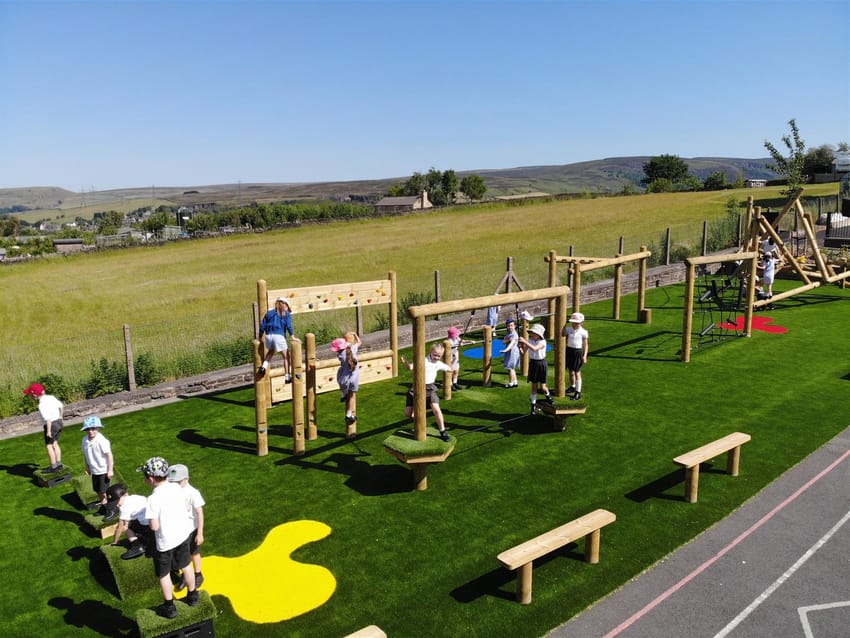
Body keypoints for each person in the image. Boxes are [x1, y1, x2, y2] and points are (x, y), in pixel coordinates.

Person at [138, 456, 199, 618]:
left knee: (164, 574)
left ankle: (169, 607)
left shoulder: (153, 499)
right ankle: (193, 595)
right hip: (183, 536)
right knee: (186, 564)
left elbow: (154, 526)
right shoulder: (177, 488)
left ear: (150, 479)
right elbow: (186, 508)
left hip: (165, 543)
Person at [400, 343, 454, 442]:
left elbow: (449, 369)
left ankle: (443, 431)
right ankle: (420, 421)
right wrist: (406, 362)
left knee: (437, 409)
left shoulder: (438, 363)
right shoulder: (423, 360)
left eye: (439, 356)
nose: (436, 357)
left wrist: (451, 368)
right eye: (435, 355)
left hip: (430, 388)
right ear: (430, 352)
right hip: (417, 388)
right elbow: (410, 368)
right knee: (408, 414)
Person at [167, 464, 206, 592]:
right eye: (172, 482)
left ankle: (198, 574)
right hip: (179, 530)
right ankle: (185, 573)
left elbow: (200, 513)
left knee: (193, 552)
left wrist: (199, 533)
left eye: (177, 482)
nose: (174, 485)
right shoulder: (172, 492)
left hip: (191, 530)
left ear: (186, 479)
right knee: (181, 553)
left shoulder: (192, 493)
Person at [23, 382, 65, 473]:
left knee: (49, 446)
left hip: (51, 425)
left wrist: (48, 431)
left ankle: (53, 467)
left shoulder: (41, 405)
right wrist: (61, 416)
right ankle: (59, 464)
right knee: (55, 443)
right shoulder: (51, 397)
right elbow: (61, 406)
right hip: (59, 422)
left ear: (34, 395)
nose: (31, 396)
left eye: (31, 395)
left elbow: (48, 419)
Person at [106, 482, 154, 558]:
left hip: (149, 527)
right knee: (131, 522)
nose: (117, 505)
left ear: (122, 496)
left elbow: (119, 528)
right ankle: (143, 536)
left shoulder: (125, 508)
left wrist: (114, 542)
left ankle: (137, 546)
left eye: (117, 502)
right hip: (154, 521)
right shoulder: (134, 497)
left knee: (126, 527)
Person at [80, 415, 114, 512]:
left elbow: (109, 455)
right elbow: (86, 454)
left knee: (104, 491)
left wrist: (110, 470)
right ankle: (104, 506)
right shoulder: (84, 440)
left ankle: (109, 509)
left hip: (103, 470)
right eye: (88, 429)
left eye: (93, 429)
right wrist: (87, 467)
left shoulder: (101, 441)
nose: (91, 431)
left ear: (98, 428)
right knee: (97, 490)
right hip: (94, 470)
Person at [518, 323, 553, 414]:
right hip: (533, 363)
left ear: (539, 335)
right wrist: (520, 347)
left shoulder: (543, 342)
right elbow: (523, 352)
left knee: (543, 387)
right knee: (534, 387)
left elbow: (534, 349)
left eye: (534, 333)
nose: (532, 334)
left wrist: (525, 341)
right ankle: (533, 406)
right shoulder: (529, 340)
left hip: (541, 364)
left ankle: (549, 397)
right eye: (532, 333)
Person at [257, 297, 294, 381]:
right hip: (279, 336)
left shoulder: (269, 313)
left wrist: (259, 336)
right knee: (286, 357)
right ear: (285, 304)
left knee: (270, 352)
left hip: (268, 336)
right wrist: (292, 336)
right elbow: (289, 326)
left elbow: (262, 326)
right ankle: (287, 376)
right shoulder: (285, 313)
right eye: (287, 306)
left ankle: (263, 367)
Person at [332, 332, 361, 426]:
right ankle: (349, 415)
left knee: (339, 374)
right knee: (351, 397)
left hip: (343, 379)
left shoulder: (340, 356)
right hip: (353, 379)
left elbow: (343, 351)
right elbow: (359, 342)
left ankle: (343, 394)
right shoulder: (353, 349)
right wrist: (355, 335)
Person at [563, 312, 589, 400]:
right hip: (569, 350)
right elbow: (562, 333)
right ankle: (572, 386)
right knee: (571, 371)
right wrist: (564, 323)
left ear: (581, 323)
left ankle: (578, 392)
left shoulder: (584, 332)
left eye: (576, 323)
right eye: (573, 322)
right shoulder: (568, 329)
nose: (574, 324)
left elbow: (586, 345)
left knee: (577, 372)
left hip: (578, 352)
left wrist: (585, 356)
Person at [446, 326, 473, 391]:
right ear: (452, 335)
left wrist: (470, 341)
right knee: (451, 371)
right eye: (456, 334)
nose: (458, 335)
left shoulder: (456, 338)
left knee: (456, 370)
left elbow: (462, 341)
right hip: (449, 357)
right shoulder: (449, 341)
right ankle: (450, 384)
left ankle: (455, 383)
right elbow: (450, 347)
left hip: (455, 355)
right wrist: (458, 345)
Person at [501, 318, 520, 388]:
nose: (510, 327)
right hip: (511, 352)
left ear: (514, 326)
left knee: (510, 368)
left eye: (511, 325)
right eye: (508, 326)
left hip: (512, 352)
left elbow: (512, 343)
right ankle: (515, 382)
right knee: (512, 368)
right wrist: (507, 340)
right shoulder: (509, 334)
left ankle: (511, 383)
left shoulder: (513, 335)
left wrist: (505, 350)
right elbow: (504, 342)